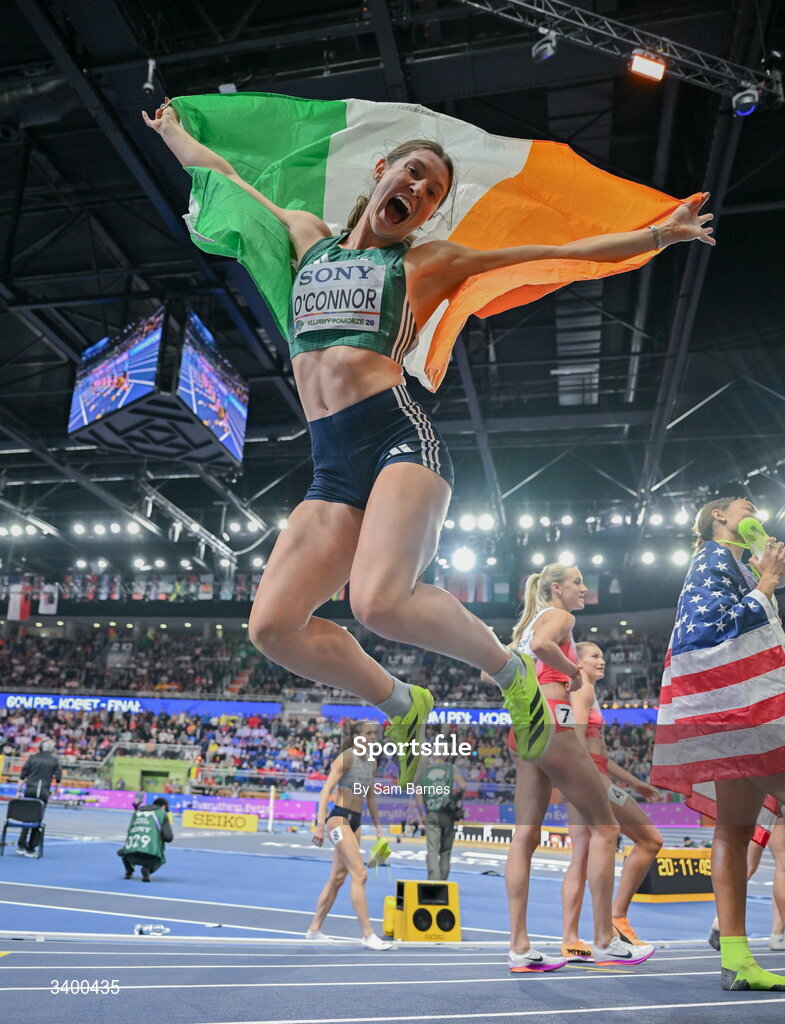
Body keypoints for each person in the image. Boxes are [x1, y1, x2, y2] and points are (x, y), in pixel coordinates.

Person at [143, 99, 715, 791]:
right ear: (381, 171)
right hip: (330, 461)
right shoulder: (306, 236)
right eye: (411, 174)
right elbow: (228, 179)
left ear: (428, 212)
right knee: (271, 627)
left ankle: (511, 677)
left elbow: (556, 251)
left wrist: (656, 236)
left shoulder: (428, 261)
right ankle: (398, 701)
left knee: (377, 602)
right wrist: (174, 133)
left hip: (395, 437)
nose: (416, 190)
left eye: (431, 191)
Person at [650, 496, 785, 991]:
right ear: (719, 520)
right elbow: (707, 633)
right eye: (745, 505)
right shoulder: (711, 558)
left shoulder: (732, 565)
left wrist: (764, 577)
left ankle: (736, 959)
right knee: (733, 833)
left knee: (732, 832)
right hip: (742, 711)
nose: (757, 509)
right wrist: (768, 582)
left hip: (734, 712)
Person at [497, 564, 655, 972]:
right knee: (607, 829)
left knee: (524, 839)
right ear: (557, 588)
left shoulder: (522, 629)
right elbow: (548, 645)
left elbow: (490, 670)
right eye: (577, 583)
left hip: (524, 726)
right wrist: (573, 673)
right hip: (555, 721)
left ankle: (519, 948)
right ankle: (604, 940)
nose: (584, 590)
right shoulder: (561, 617)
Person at [561, 641, 663, 961]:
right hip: (590, 781)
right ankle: (614, 921)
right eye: (594, 656)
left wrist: (634, 783)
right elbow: (577, 741)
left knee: (579, 860)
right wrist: (593, 782)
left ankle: (571, 940)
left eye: (603, 656)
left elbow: (598, 752)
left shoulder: (581, 691)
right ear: (578, 662)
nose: (601, 661)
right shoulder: (583, 692)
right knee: (650, 839)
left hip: (583, 779)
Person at [307, 721, 391, 949]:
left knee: (337, 879)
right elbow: (325, 792)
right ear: (356, 737)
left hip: (355, 821)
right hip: (338, 819)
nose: (373, 737)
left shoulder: (371, 762)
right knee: (360, 874)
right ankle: (367, 934)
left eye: (374, 733)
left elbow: (370, 798)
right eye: (368, 733)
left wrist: (379, 830)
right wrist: (320, 824)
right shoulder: (346, 757)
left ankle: (314, 929)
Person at [708, 812, 785, 952]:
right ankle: (777, 935)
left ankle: (721, 922)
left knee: (746, 866)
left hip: (759, 805)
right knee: (783, 868)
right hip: (777, 804)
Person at [416, 754, 467, 880]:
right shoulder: (450, 768)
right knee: (445, 851)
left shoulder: (422, 773)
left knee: (432, 850)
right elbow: (463, 786)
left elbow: (418, 798)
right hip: (447, 813)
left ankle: (433, 882)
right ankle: (443, 882)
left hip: (431, 813)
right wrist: (457, 798)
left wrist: (422, 815)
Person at [15, 738, 61, 857]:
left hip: (30, 790)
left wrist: (18, 791)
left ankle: (21, 845)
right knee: (37, 819)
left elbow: (22, 775)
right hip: (43, 792)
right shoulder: (54, 761)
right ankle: (31, 848)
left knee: (27, 817)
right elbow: (58, 777)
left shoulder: (32, 758)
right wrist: (55, 790)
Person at [118, 797, 174, 881]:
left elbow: (129, 831)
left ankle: (129, 870)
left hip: (131, 854)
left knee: (125, 850)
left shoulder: (137, 812)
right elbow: (169, 837)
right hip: (150, 855)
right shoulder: (161, 814)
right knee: (161, 858)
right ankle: (147, 869)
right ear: (163, 807)